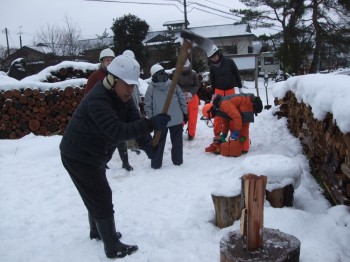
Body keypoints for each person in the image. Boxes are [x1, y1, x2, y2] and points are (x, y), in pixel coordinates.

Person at [59, 54, 171, 259]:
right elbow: (117, 131)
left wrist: (147, 146)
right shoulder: (97, 98)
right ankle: (112, 247)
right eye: (126, 84)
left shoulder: (123, 97)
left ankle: (97, 231)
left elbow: (134, 120)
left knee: (94, 194)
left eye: (133, 85)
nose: (130, 90)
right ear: (112, 80)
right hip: (78, 155)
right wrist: (152, 124)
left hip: (95, 154)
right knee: (101, 196)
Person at [84, 48, 134, 171]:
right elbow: (87, 97)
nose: (110, 62)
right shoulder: (95, 77)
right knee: (102, 141)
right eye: (107, 60)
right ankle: (102, 162)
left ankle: (125, 162)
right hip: (101, 114)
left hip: (116, 112)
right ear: (102, 62)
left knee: (120, 138)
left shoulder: (118, 75)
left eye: (112, 60)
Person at [144, 64, 188, 169]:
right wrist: (185, 113)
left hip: (160, 121)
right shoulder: (172, 84)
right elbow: (182, 98)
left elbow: (147, 105)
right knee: (177, 140)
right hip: (176, 118)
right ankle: (178, 161)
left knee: (158, 141)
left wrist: (151, 119)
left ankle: (156, 164)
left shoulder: (151, 88)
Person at [207, 45, 244, 141]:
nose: (213, 59)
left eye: (214, 56)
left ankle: (233, 134)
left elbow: (236, 74)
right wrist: (213, 93)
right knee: (218, 114)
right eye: (211, 58)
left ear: (218, 53)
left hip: (230, 91)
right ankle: (217, 134)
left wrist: (240, 87)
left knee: (231, 113)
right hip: (218, 91)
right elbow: (212, 79)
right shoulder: (212, 66)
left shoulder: (229, 62)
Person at [177, 59, 200, 141]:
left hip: (193, 97)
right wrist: (183, 92)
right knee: (180, 116)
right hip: (182, 97)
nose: (184, 69)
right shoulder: (178, 75)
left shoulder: (193, 74)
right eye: (183, 67)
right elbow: (177, 86)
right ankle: (178, 132)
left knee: (192, 117)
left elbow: (197, 85)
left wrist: (191, 93)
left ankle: (191, 134)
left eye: (185, 67)